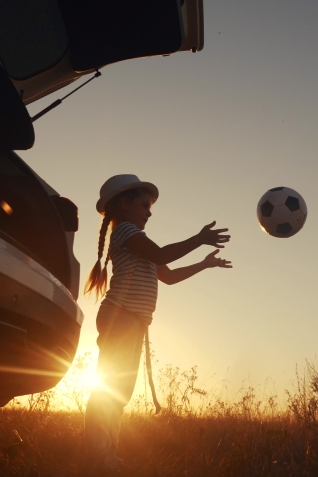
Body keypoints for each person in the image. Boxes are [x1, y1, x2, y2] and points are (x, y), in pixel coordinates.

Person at [83, 174, 232, 471]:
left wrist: (204, 263)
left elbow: (170, 275)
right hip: (121, 318)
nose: (150, 212)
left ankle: (106, 455)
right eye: (145, 205)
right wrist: (199, 239)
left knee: (119, 391)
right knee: (112, 390)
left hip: (130, 321)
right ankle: (99, 456)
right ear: (125, 204)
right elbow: (163, 254)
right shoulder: (126, 231)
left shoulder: (137, 240)